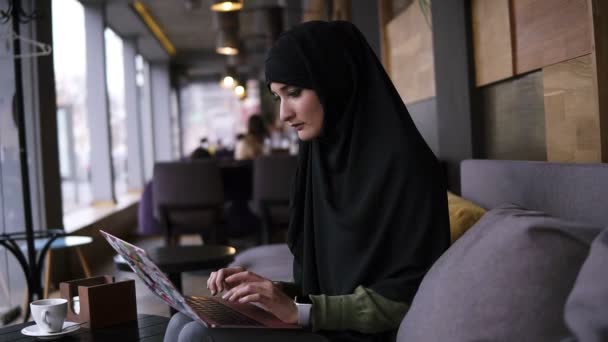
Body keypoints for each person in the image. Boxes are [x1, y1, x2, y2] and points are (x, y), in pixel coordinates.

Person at [164, 20, 449, 342]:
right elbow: (325, 284)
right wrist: (266, 291)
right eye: (277, 97)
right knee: (182, 322)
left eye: (294, 92)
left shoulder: (406, 167)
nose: (284, 113)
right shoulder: (321, 161)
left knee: (195, 336)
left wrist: (299, 311)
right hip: (321, 321)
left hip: (359, 335)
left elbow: (406, 297)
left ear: (335, 82)